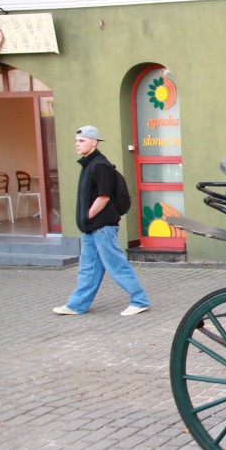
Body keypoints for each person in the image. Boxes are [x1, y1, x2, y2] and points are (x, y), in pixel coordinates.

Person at [53, 125, 150, 316]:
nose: (77, 144)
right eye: (76, 141)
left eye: (81, 141)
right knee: (88, 267)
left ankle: (139, 300)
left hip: (102, 227)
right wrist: (86, 220)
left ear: (94, 142)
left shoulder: (100, 165)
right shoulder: (89, 164)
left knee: (116, 265)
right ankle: (76, 305)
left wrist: (87, 215)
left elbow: (104, 196)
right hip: (91, 228)